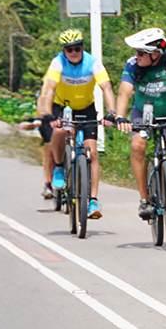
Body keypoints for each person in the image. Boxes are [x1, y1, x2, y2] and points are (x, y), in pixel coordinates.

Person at [110, 27, 166, 220]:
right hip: (141, 113)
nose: (136, 56)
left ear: (155, 53)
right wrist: (120, 117)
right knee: (137, 146)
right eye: (136, 52)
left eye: (141, 52)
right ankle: (144, 199)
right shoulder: (133, 64)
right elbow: (124, 91)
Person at [32, 28, 110, 218]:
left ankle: (92, 201)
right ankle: (59, 167)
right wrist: (49, 114)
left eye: (77, 48)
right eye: (69, 49)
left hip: (86, 107)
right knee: (58, 132)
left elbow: (106, 87)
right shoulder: (58, 62)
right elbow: (50, 88)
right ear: (64, 51)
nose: (74, 52)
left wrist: (113, 113)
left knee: (92, 153)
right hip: (62, 106)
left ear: (83, 47)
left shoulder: (92, 62)